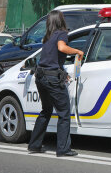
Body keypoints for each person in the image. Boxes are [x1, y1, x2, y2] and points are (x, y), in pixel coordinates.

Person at [28, 10, 84, 157]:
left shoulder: (47, 37)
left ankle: (34, 145)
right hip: (52, 78)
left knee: (46, 111)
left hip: (40, 76)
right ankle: (63, 149)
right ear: (60, 20)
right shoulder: (61, 33)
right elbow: (61, 48)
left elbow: (50, 58)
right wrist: (78, 51)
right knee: (64, 113)